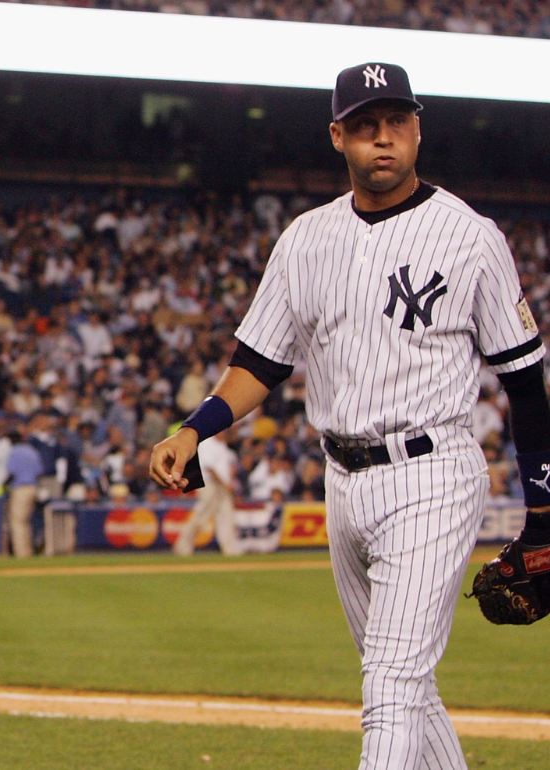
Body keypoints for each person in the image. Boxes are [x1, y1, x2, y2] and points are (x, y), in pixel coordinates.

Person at [150, 62, 550, 770]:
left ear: (419, 129)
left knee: (390, 685)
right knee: (404, 683)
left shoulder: (470, 236)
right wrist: (195, 428)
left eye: (397, 122)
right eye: (366, 127)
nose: (384, 139)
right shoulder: (306, 239)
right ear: (339, 137)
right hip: (344, 479)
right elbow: (261, 363)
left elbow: (524, 380)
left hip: (432, 474)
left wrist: (546, 514)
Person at [173, 427, 240, 556]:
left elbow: (225, 467)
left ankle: (231, 550)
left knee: (226, 515)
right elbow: (209, 468)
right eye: (222, 430)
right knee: (201, 515)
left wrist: (228, 483)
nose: (224, 433)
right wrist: (225, 483)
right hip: (209, 484)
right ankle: (183, 547)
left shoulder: (222, 445)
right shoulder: (208, 443)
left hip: (221, 485)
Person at [4, 423, 44, 557]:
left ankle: (22, 553)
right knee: (26, 522)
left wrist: (3, 486)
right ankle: (28, 550)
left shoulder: (15, 451)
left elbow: (12, 473)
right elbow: (39, 471)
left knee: (18, 522)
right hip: (33, 487)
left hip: (20, 488)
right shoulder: (31, 451)